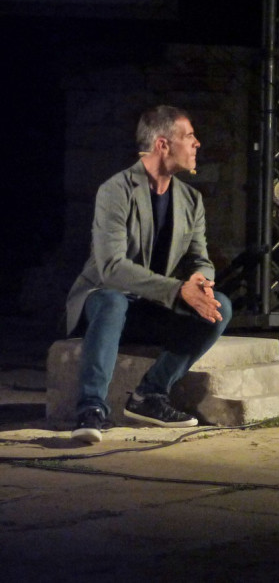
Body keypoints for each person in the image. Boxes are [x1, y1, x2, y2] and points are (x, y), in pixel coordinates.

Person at [66, 105, 232, 443]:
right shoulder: (116, 190)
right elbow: (110, 268)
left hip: (149, 305)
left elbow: (200, 258)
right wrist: (177, 289)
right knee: (112, 301)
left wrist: (200, 281)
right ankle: (91, 408)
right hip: (103, 303)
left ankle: (150, 395)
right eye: (189, 136)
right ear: (162, 144)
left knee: (220, 308)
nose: (197, 143)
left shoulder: (191, 200)